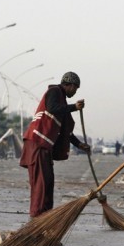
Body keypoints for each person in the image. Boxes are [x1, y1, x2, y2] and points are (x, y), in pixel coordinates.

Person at [19, 72, 91, 218]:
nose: (75, 92)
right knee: (41, 185)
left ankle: (45, 217)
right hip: (37, 143)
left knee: (48, 182)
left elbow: (66, 131)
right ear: (69, 85)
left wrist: (79, 145)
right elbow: (52, 108)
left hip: (44, 147)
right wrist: (74, 107)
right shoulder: (54, 91)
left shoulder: (62, 102)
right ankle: (37, 219)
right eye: (75, 88)